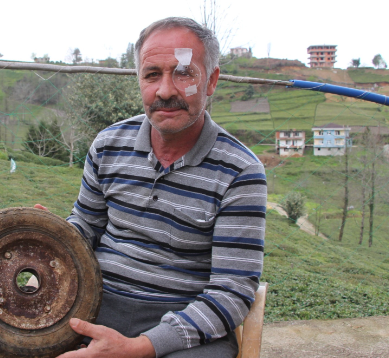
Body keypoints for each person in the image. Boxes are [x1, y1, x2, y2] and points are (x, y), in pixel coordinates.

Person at [45, 17, 267, 358]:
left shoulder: (241, 171)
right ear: (139, 81)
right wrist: (52, 236)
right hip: (94, 306)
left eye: (183, 73)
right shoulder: (108, 145)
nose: (165, 91)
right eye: (152, 75)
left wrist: (139, 348)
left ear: (211, 81)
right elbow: (85, 228)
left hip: (185, 328)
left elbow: (231, 290)